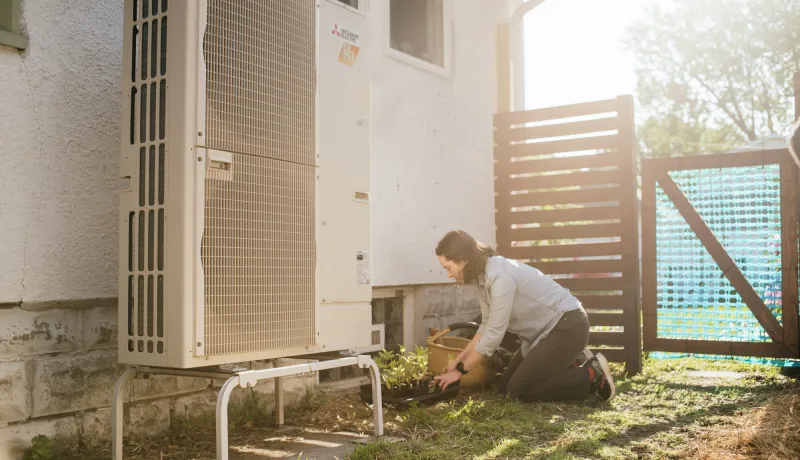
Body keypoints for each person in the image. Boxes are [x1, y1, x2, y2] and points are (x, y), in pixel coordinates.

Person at [431, 230, 616, 402]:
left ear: (462, 260)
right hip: (545, 334)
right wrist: (456, 362)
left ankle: (591, 376)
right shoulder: (481, 277)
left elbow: (494, 335)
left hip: (567, 327)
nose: (448, 275)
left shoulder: (500, 277)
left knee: (518, 391)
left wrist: (460, 372)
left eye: (448, 267)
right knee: (505, 389)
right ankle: (571, 362)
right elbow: (485, 326)